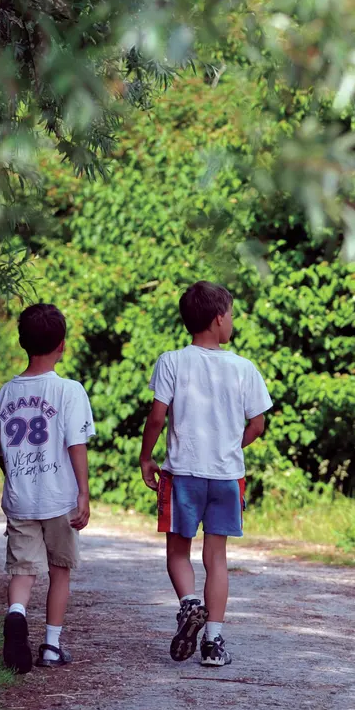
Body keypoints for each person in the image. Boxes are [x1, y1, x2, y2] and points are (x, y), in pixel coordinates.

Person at [139, 281, 272, 668]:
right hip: (227, 476)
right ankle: (213, 643)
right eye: (230, 314)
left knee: (178, 552)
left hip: (183, 475)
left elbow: (157, 416)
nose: (231, 320)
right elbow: (258, 424)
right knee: (216, 557)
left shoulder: (172, 362)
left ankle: (189, 604)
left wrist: (147, 457)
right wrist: (231, 446)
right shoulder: (244, 368)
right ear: (218, 319)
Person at [0, 303, 95, 674]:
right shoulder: (70, 391)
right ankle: (51, 645)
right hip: (59, 499)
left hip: (21, 499)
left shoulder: (7, 393)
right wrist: (83, 492)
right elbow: (76, 444)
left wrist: (15, 474)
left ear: (21, 342)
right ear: (62, 345)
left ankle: (15, 615)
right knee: (60, 569)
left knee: (22, 571)